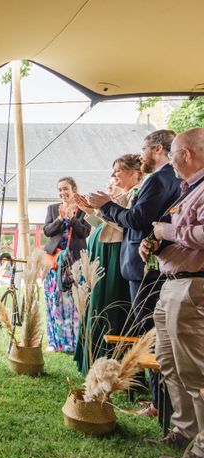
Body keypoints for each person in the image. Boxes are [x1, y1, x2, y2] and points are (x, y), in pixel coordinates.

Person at [88, 129, 181, 416]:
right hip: (146, 266)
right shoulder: (171, 178)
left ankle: (160, 404)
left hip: (145, 269)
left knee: (150, 334)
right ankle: (157, 400)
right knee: (150, 333)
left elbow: (137, 218)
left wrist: (107, 205)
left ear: (156, 148)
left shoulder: (160, 179)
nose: (142, 156)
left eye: (145, 149)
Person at [139, 128, 204, 458]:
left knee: (195, 370)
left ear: (188, 154)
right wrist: (154, 244)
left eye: (175, 153)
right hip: (172, 283)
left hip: (194, 288)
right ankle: (185, 432)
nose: (171, 161)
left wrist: (169, 232)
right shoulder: (188, 190)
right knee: (170, 364)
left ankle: (203, 451)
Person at [73, 154, 142, 373]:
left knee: (112, 305)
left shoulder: (135, 194)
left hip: (116, 254)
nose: (112, 176)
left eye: (117, 171)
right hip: (104, 250)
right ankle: (93, 359)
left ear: (134, 172)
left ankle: (114, 363)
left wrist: (102, 209)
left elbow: (127, 226)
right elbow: (106, 226)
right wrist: (89, 212)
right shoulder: (123, 195)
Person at [42, 177, 91, 353]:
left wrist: (71, 219)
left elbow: (84, 232)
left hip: (74, 263)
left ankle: (72, 342)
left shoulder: (83, 209)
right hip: (54, 262)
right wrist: (59, 219)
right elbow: (47, 231)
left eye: (66, 189)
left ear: (74, 190)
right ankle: (54, 342)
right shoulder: (53, 208)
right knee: (54, 301)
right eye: (60, 190)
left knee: (72, 304)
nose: (62, 193)